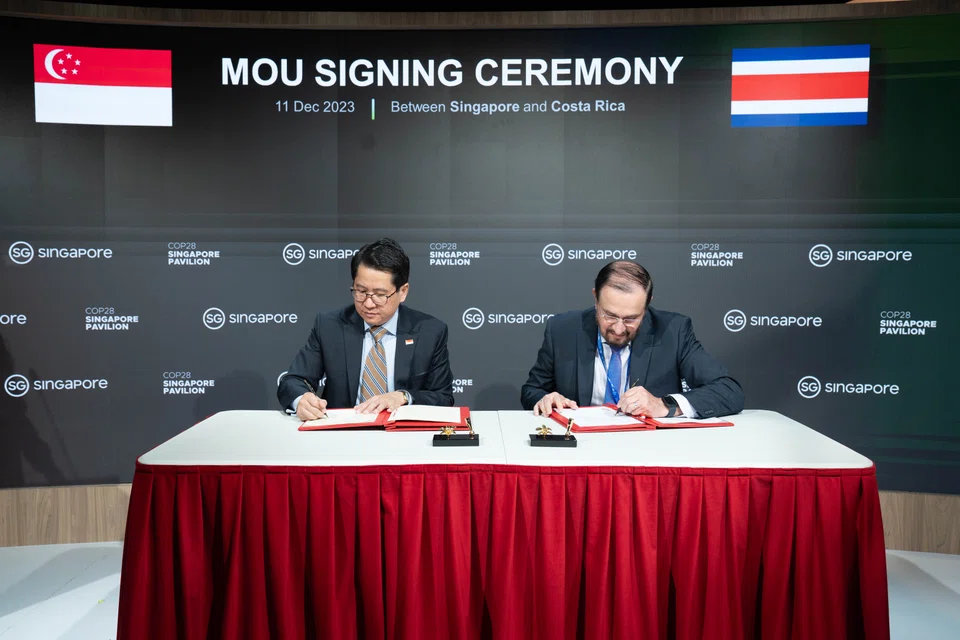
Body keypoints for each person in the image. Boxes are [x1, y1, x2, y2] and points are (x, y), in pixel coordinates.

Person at [521, 260, 743, 419]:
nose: (618, 329)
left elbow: (728, 391)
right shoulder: (563, 329)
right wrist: (546, 399)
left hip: (648, 451)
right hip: (580, 447)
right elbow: (532, 390)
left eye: (631, 319)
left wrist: (664, 405)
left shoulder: (673, 331)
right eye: (609, 315)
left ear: (647, 306)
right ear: (595, 299)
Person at [278, 238, 454, 420]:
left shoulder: (429, 332)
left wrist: (403, 396)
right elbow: (293, 381)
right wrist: (301, 400)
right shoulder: (330, 326)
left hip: (403, 437)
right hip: (341, 435)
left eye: (379, 295)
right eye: (361, 292)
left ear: (403, 292)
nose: (368, 304)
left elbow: (443, 398)